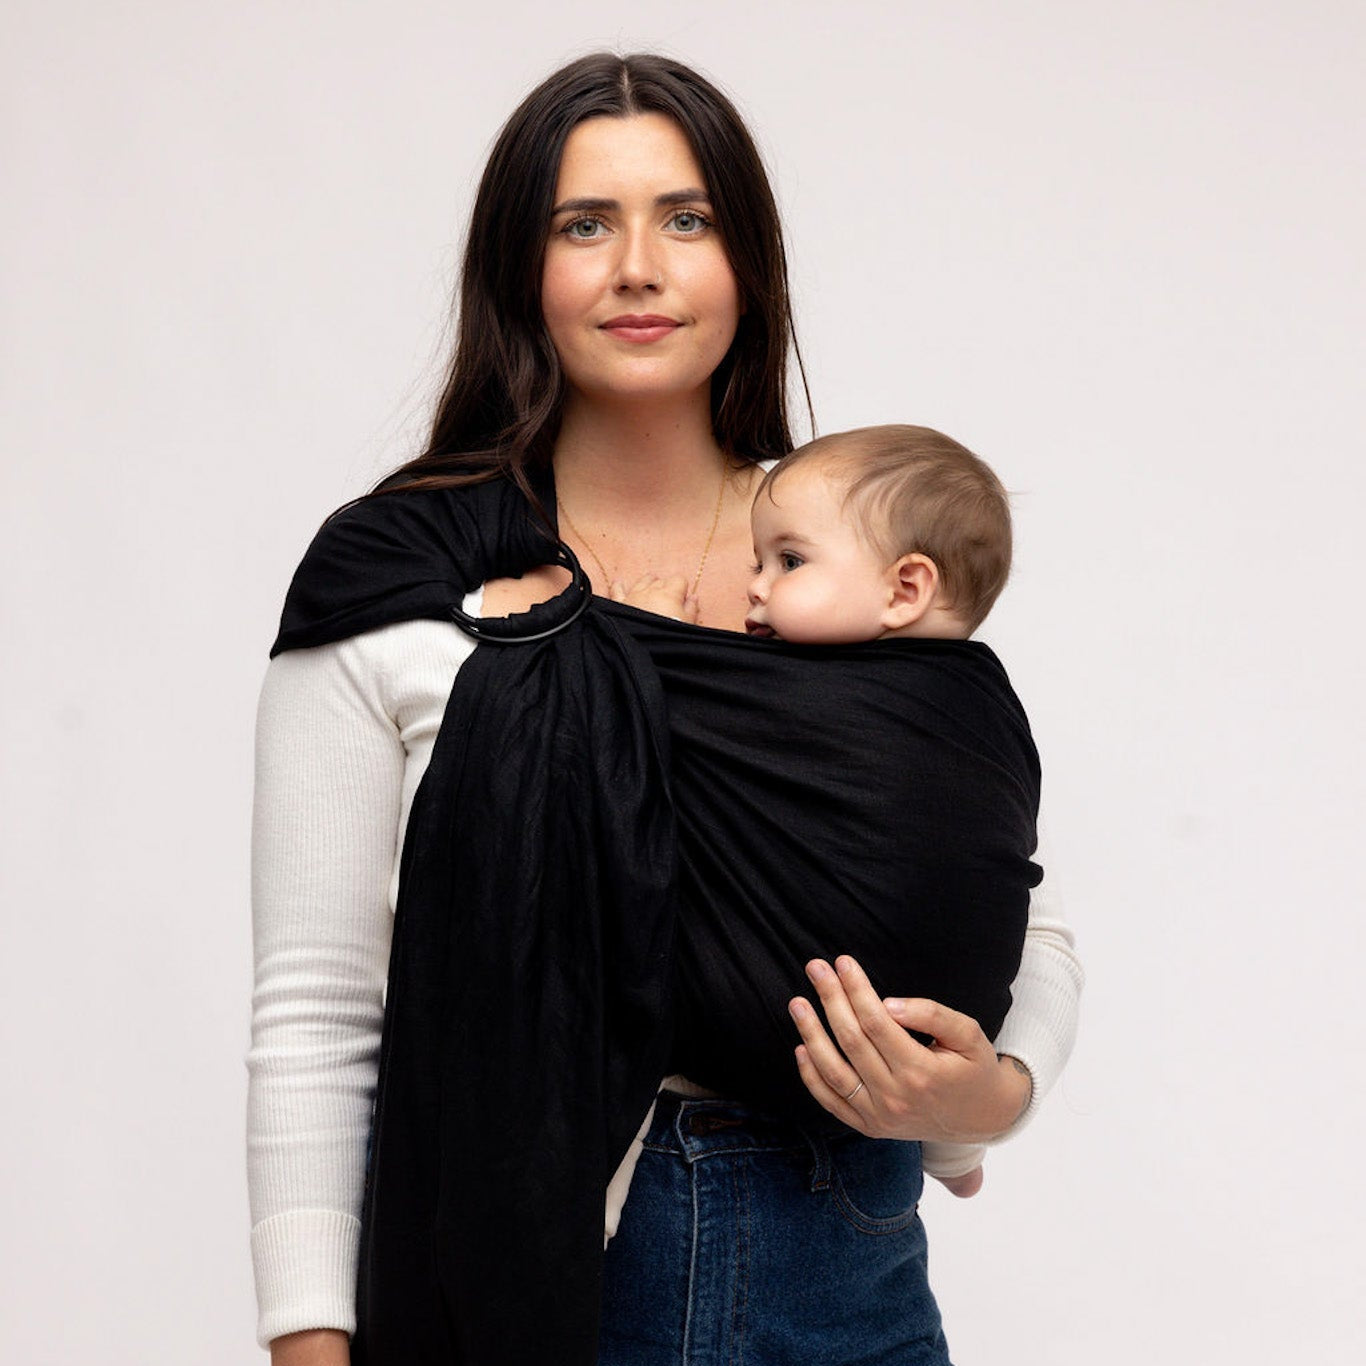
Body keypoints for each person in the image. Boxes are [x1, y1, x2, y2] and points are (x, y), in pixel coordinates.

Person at [248, 52, 1083, 1366]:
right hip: (548, 1276)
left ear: (745, 261)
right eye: (584, 224)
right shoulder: (405, 580)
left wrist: (987, 1098)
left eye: (685, 219)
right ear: (520, 267)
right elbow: (316, 1009)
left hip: (848, 1272)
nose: (637, 266)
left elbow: (997, 903)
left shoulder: (846, 561)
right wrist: (308, 1343)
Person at [612, 421, 1022, 1197]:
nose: (756, 586)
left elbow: (630, 675)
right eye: (757, 562)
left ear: (905, 589)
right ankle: (953, 1153)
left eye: (789, 561)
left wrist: (650, 628)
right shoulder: (988, 702)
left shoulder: (800, 693)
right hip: (915, 1083)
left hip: (783, 1066)